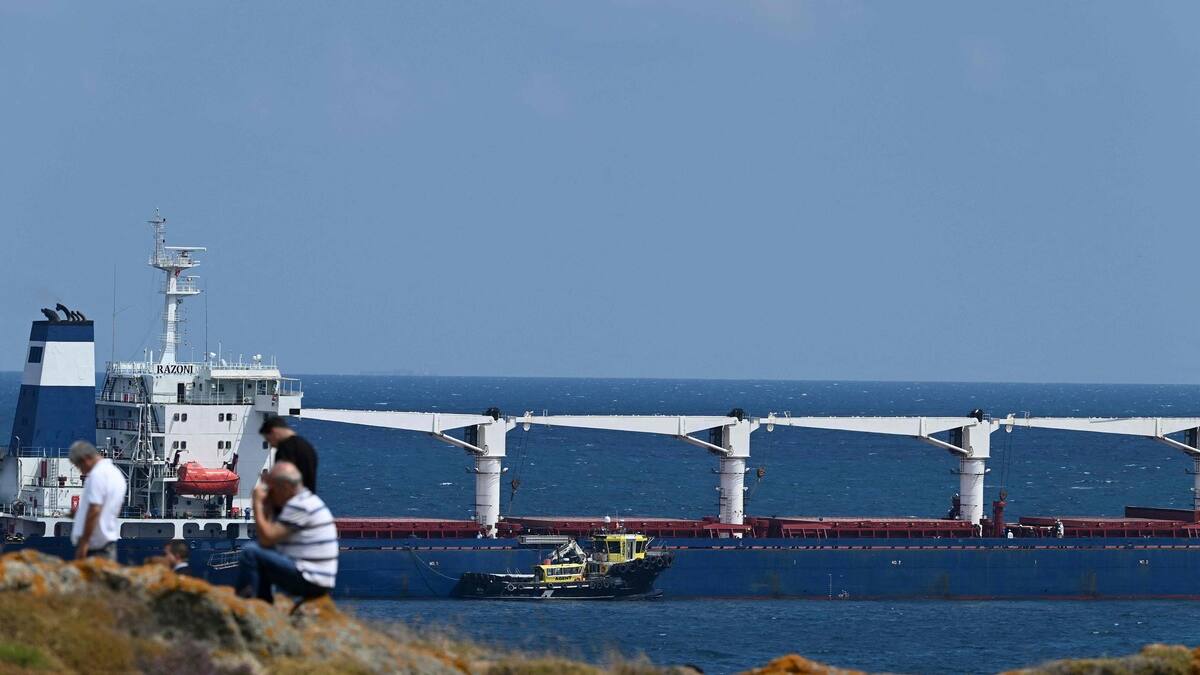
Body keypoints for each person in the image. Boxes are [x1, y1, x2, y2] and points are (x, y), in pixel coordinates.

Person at [235, 461, 337, 603]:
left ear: (286, 487)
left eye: (272, 488)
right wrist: (269, 509)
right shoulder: (307, 500)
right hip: (317, 578)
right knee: (262, 556)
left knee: (250, 552)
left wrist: (257, 503)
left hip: (310, 579)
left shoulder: (299, 505)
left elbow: (266, 539)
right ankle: (263, 604)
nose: (270, 492)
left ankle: (246, 605)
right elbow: (270, 542)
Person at [68, 440, 127, 561]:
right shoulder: (117, 474)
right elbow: (113, 509)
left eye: (79, 466)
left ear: (86, 459)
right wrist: (80, 514)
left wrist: (84, 543)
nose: (81, 471)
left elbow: (95, 509)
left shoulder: (97, 475)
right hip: (108, 545)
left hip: (94, 549)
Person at [259, 416, 318, 493]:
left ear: (274, 432)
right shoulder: (307, 446)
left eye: (269, 440)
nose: (271, 445)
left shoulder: (284, 450)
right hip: (308, 497)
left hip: (292, 500)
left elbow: (284, 481)